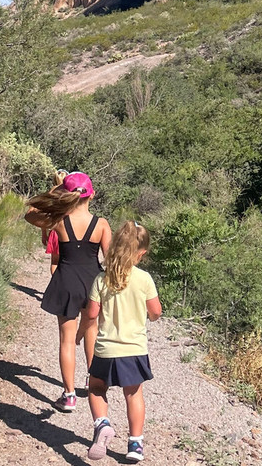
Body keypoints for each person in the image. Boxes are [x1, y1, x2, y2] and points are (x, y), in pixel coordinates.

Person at [25, 171, 112, 412]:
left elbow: (30, 214)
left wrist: (55, 192)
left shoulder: (58, 220)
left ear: (67, 194)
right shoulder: (101, 224)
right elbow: (110, 260)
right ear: (91, 195)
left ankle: (69, 394)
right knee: (91, 333)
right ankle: (93, 382)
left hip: (65, 281)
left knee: (66, 340)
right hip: (92, 281)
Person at [84, 220, 162, 462]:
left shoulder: (101, 279)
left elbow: (92, 314)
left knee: (96, 388)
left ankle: (102, 424)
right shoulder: (144, 279)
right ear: (142, 253)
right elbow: (156, 311)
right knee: (134, 394)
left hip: (106, 348)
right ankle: (135, 444)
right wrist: (149, 313)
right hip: (134, 348)